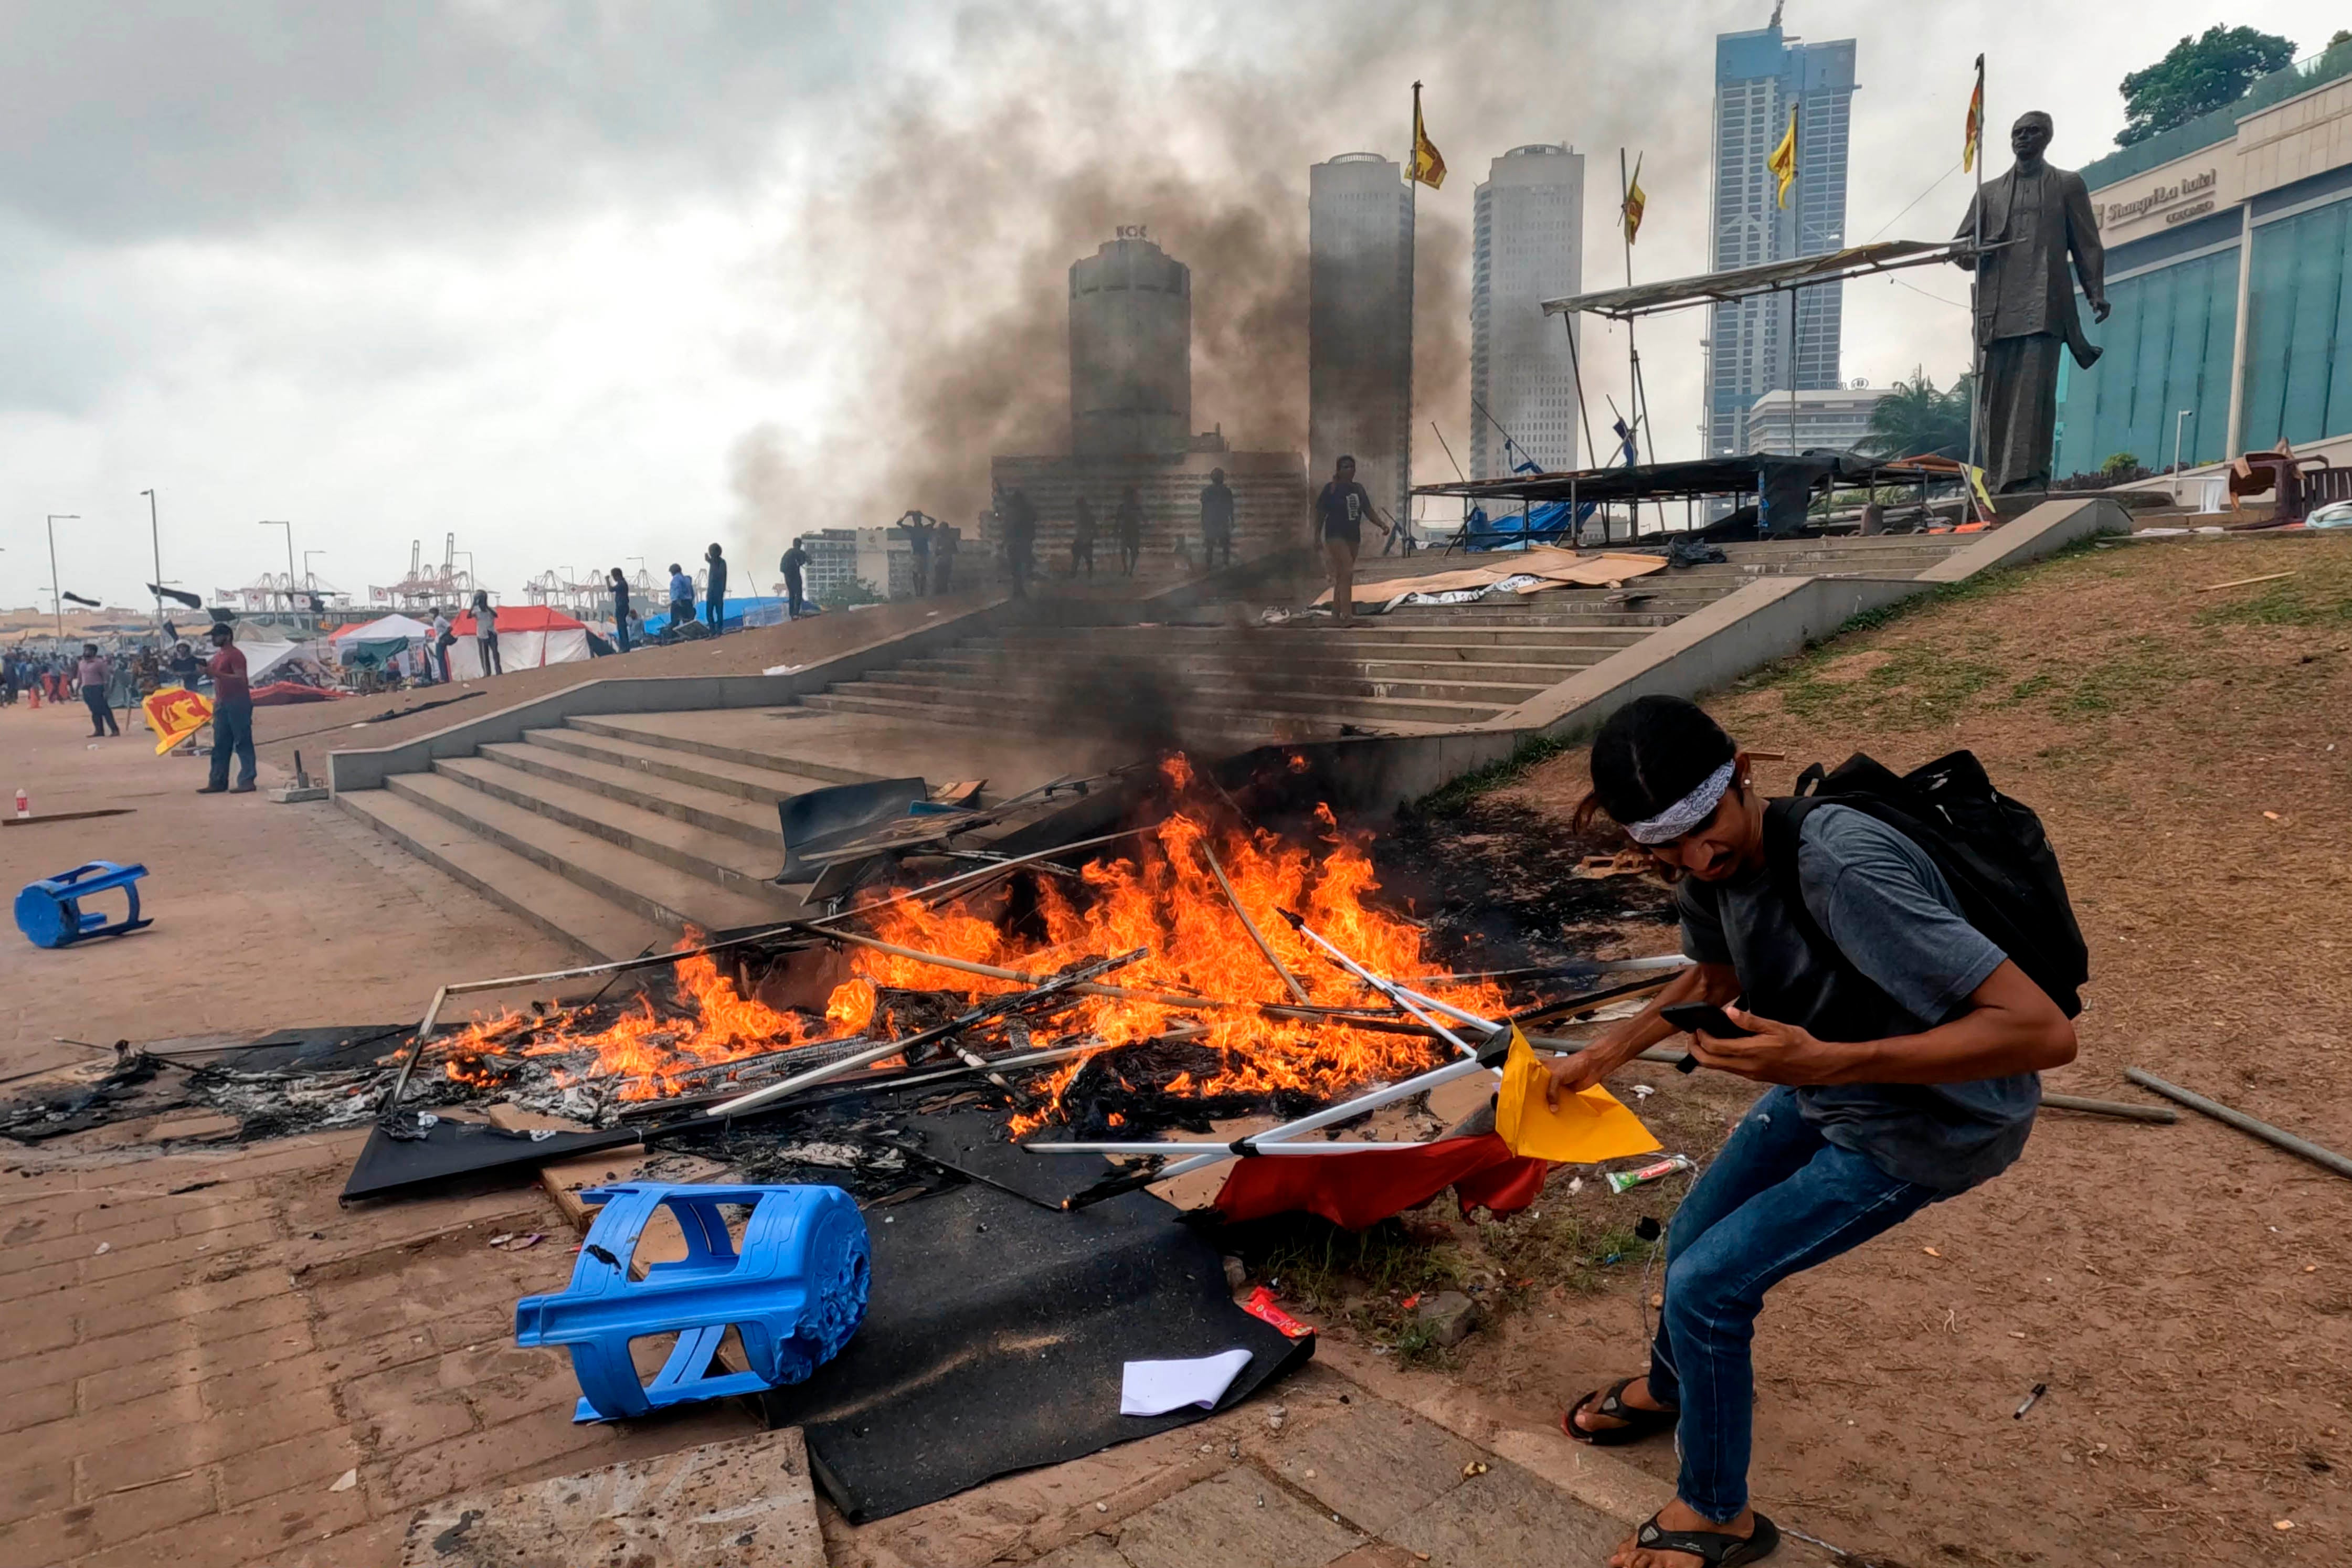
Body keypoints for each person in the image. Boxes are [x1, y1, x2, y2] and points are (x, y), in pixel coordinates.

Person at [1542, 695, 2076, 1568]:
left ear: (1742, 773)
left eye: (1700, 826)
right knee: (1688, 1239)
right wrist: (1603, 1053)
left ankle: (1716, 1514)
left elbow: (2043, 1031)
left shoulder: (1841, 868)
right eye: (1662, 845)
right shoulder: (1706, 868)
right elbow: (1710, 970)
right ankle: (1678, 1389)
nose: (1693, 856)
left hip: (1932, 1119)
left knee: (1711, 1284)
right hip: (1826, 1079)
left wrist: (1828, 1062)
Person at [1312, 455, 1373, 628]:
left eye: (1352, 467)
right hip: (1335, 536)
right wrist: (1316, 536)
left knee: (1342, 576)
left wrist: (1382, 524)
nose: (1350, 470)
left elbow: (1368, 510)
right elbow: (1320, 515)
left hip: (1353, 537)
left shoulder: (1358, 489)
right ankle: (1347, 616)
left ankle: (1335, 615)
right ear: (1339, 470)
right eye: (1345, 467)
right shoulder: (1331, 489)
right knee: (1347, 571)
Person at [196, 623, 256, 795]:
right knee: (220, 745)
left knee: (242, 742)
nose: (213, 639)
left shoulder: (236, 655)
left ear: (227, 636)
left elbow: (241, 678)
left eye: (216, 636)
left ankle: (247, 780)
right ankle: (217, 781)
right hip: (222, 702)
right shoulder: (218, 656)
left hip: (238, 703)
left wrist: (216, 674)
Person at [1001, 486, 1037, 599]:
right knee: (1021, 567)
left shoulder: (1013, 511)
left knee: (1015, 568)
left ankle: (1018, 590)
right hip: (1022, 542)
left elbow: (1009, 527)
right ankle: (1019, 589)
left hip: (1014, 542)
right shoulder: (1026, 511)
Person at [77, 644, 120, 737]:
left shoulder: (99, 663)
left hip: (97, 688)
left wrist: (107, 691)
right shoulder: (81, 663)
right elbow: (80, 677)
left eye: (88, 650)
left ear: (94, 652)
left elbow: (106, 678)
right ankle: (99, 731)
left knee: (105, 710)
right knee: (94, 711)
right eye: (85, 650)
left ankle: (114, 730)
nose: (86, 652)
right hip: (86, 688)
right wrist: (77, 689)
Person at [1199, 467, 1235, 570]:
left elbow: (1204, 509)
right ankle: (1225, 564)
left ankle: (1209, 564)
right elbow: (1230, 508)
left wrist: (1203, 522)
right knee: (1224, 545)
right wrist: (1232, 521)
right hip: (1221, 521)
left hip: (1211, 522)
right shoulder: (1227, 491)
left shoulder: (1206, 491)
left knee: (1210, 545)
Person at [895, 512, 934, 597]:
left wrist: (923, 515)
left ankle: (921, 592)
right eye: (915, 519)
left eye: (917, 519)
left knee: (922, 574)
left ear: (920, 520)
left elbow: (934, 522)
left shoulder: (924, 529)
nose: (916, 521)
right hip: (917, 553)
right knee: (916, 573)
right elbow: (899, 523)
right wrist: (906, 516)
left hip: (923, 553)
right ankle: (918, 592)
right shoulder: (914, 529)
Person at [470, 590, 502, 675]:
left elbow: (496, 615)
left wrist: (486, 607)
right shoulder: (476, 610)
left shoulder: (491, 609)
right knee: (484, 655)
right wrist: (473, 604)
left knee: (495, 653)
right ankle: (487, 673)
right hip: (482, 634)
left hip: (491, 632)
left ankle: (499, 671)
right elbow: (469, 616)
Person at [1115, 487, 1143, 577]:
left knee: (1133, 552)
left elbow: (1143, 517)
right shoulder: (1123, 507)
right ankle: (1127, 569)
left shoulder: (1136, 507)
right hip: (1127, 531)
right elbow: (1118, 520)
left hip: (1133, 531)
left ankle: (1130, 570)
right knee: (1125, 551)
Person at [780, 542, 809, 620]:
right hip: (795, 574)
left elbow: (782, 567)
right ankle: (796, 613)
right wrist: (802, 562)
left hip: (787, 576)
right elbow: (809, 561)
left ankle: (792, 614)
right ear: (800, 545)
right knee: (799, 593)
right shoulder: (799, 552)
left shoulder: (788, 552)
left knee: (792, 594)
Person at [704, 543, 728, 632]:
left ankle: (719, 630)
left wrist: (710, 561)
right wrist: (709, 561)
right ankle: (712, 630)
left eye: (711, 551)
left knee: (719, 612)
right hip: (711, 591)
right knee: (709, 612)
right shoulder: (715, 562)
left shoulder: (721, 562)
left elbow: (718, 575)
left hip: (718, 591)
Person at [1070, 495, 1097, 578]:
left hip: (1084, 539)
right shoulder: (1088, 515)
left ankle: (1075, 574)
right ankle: (1088, 574)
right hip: (1085, 539)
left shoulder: (1084, 516)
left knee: (1080, 558)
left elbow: (1090, 527)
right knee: (1086, 559)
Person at [608, 568, 633, 652]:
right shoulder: (623, 583)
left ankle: (624, 647)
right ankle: (625, 646)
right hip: (624, 606)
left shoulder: (621, 584)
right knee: (622, 627)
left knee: (621, 627)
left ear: (616, 576)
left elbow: (611, 589)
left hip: (621, 607)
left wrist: (607, 580)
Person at [667, 563, 694, 629]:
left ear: (673, 572)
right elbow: (692, 592)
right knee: (688, 622)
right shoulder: (687, 579)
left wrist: (677, 601)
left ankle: (673, 636)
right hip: (688, 602)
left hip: (678, 603)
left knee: (675, 622)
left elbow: (677, 591)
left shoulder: (676, 579)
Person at [430, 609, 454, 682]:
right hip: (438, 640)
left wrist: (443, 635)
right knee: (440, 659)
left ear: (435, 613)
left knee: (441, 659)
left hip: (441, 640)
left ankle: (445, 678)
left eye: (431, 613)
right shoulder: (434, 621)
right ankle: (444, 676)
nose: (430, 615)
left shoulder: (440, 620)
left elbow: (450, 627)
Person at [933, 524, 957, 595]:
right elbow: (935, 552)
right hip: (940, 562)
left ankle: (943, 596)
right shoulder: (937, 539)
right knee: (939, 581)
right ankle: (940, 595)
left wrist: (947, 549)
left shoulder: (950, 540)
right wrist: (941, 549)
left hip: (946, 562)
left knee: (945, 580)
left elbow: (955, 550)